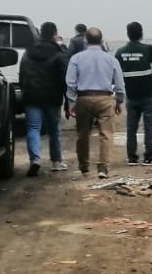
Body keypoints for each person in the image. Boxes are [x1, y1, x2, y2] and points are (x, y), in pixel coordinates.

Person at [65, 26, 124, 177]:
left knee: (83, 134)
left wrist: (71, 103)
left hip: (83, 99)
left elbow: (70, 83)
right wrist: (119, 101)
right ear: (102, 41)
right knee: (106, 134)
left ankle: (84, 167)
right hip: (105, 99)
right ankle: (103, 168)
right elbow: (119, 84)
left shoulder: (76, 59)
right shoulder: (111, 59)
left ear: (86, 41)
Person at [19, 21, 68, 176]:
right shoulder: (58, 53)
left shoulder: (28, 52)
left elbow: (22, 74)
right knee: (54, 130)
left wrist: (25, 90)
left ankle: (35, 159)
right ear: (54, 34)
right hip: (52, 98)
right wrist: (67, 99)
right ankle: (56, 161)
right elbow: (64, 77)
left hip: (31, 96)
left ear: (40, 33)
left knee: (33, 128)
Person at [115, 21, 152, 165]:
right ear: (141, 34)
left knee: (131, 127)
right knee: (149, 125)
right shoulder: (148, 49)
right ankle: (149, 156)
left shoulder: (120, 52)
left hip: (131, 95)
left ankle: (132, 157)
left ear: (128, 35)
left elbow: (117, 72)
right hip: (149, 93)